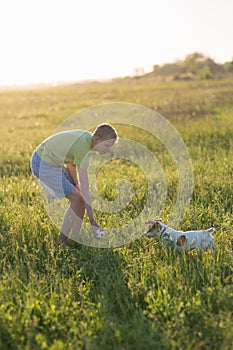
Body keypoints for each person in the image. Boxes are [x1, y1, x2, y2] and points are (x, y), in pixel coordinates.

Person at [30, 123, 118, 245]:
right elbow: (85, 188)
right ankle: (62, 241)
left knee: (80, 198)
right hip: (42, 164)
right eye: (107, 145)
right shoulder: (83, 147)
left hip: (50, 162)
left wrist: (76, 183)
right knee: (78, 199)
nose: (109, 150)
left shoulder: (87, 139)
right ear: (97, 139)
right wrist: (92, 220)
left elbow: (71, 163)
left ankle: (75, 237)